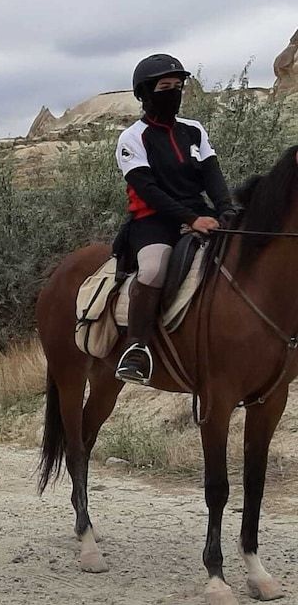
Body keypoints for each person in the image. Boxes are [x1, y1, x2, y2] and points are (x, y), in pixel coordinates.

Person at [114, 54, 233, 385]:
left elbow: (212, 173)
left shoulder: (194, 130)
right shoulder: (132, 138)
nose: (174, 93)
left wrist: (225, 207)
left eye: (178, 86)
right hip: (153, 221)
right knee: (153, 269)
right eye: (165, 87)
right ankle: (136, 349)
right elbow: (147, 189)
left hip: (198, 212)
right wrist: (189, 218)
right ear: (146, 94)